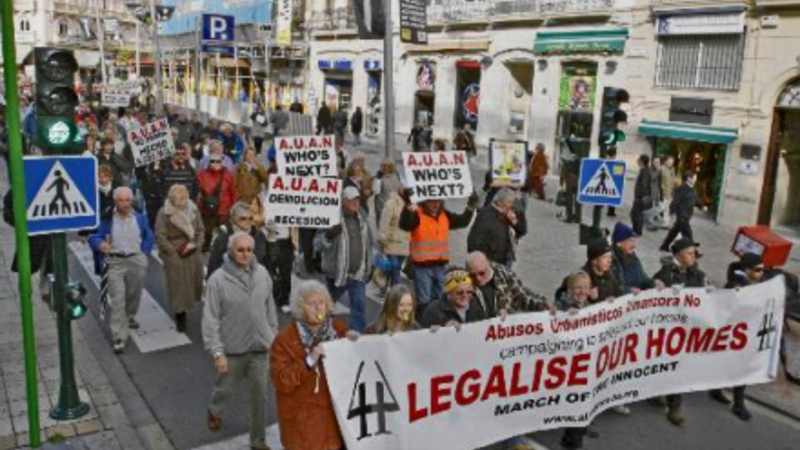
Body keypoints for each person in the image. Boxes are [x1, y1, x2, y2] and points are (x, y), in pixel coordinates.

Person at [202, 232, 278, 450]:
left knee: (259, 397)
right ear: (230, 252)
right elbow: (210, 319)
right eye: (240, 250)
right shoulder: (217, 280)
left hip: (260, 348)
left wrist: (273, 335)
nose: (245, 254)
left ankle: (258, 441)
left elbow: (269, 306)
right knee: (224, 389)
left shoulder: (262, 273)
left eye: (249, 250)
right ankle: (215, 409)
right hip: (233, 349)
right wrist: (217, 353)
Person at [270, 280, 350, 450]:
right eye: (311, 304)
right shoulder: (285, 339)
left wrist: (355, 342)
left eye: (321, 302)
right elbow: (281, 381)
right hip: (303, 427)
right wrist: (309, 361)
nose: (318, 308)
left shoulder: (338, 329)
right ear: (300, 308)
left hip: (334, 424)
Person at [88, 187, 154, 354]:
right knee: (118, 298)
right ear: (115, 201)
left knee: (134, 293)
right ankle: (119, 336)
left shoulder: (139, 217)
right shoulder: (107, 218)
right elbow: (93, 236)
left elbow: (148, 235)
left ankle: (130, 316)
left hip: (135, 259)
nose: (124, 204)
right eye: (121, 200)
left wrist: (144, 252)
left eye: (127, 200)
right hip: (114, 261)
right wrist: (100, 244)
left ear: (132, 201)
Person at [653, 237, 707, 426]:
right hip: (669, 330)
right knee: (670, 365)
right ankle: (672, 405)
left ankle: (665, 396)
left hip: (688, 329)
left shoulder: (698, 274)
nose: (694, 256)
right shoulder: (666, 275)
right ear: (678, 255)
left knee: (677, 366)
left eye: (694, 253)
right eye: (690, 253)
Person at [707, 252, 765, 421]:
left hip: (745, 333)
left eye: (763, 269)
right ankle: (738, 404)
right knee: (740, 368)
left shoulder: (755, 283)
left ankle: (718, 391)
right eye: (757, 270)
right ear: (746, 269)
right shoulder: (734, 285)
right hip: (735, 334)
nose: (761, 273)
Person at [400, 191, 479, 313]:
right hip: (422, 267)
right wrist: (407, 205)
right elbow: (404, 225)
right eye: (432, 201)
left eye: (438, 201)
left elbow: (462, 222)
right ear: (425, 201)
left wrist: (470, 206)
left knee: (442, 300)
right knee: (424, 301)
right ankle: (424, 322)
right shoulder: (417, 215)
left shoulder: (444, 215)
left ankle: (438, 321)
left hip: (440, 266)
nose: (435, 204)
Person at [315, 187, 374, 332]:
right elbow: (317, 244)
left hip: (357, 274)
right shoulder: (331, 218)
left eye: (357, 199)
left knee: (359, 308)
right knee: (325, 307)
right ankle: (317, 331)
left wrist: (371, 264)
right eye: (351, 199)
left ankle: (357, 338)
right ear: (343, 201)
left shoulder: (363, 219)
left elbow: (369, 244)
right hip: (336, 273)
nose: (355, 202)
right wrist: (328, 235)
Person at [155, 185, 205, 333]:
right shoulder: (164, 212)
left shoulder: (193, 209)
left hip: (192, 249)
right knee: (177, 286)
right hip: (175, 251)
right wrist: (172, 252)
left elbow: (200, 229)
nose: (181, 201)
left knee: (193, 282)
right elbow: (160, 236)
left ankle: (190, 305)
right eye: (177, 198)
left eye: (183, 197)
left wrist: (197, 245)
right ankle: (180, 314)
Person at [556, 271, 595, 450]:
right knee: (575, 405)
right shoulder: (559, 306)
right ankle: (572, 441)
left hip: (584, 365)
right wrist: (564, 317)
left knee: (582, 403)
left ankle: (575, 437)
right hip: (565, 366)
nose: (582, 292)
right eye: (577, 288)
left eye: (585, 287)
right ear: (569, 289)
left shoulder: (590, 307)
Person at [466, 251, 550, 317]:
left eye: (482, 273)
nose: (478, 278)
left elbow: (520, 296)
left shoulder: (503, 274)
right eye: (472, 275)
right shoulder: (464, 285)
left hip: (504, 328)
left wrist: (542, 304)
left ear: (488, 265)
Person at [467, 188, 527, 267]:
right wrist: (482, 259)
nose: (511, 205)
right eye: (509, 202)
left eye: (513, 202)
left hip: (506, 258)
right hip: (490, 260)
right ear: (499, 202)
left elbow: (523, 231)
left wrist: (515, 222)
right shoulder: (486, 214)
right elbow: (475, 239)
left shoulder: (513, 212)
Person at [207, 202, 268, 278]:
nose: (248, 221)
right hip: (229, 281)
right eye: (243, 219)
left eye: (250, 218)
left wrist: (272, 242)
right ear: (233, 219)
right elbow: (213, 266)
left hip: (255, 280)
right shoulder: (222, 239)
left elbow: (267, 262)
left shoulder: (259, 237)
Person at [420, 267, 488, 328]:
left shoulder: (477, 305)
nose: (465, 295)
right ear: (448, 293)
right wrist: (443, 330)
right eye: (460, 293)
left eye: (469, 292)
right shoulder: (433, 311)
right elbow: (423, 335)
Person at [197, 154, 237, 252]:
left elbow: (233, 192)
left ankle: (222, 252)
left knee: (224, 234)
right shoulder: (203, 174)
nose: (215, 163)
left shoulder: (228, 175)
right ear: (209, 162)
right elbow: (198, 191)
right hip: (207, 210)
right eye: (213, 161)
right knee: (207, 234)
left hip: (224, 210)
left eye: (218, 161)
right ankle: (206, 251)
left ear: (222, 162)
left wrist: (234, 208)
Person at [660, 170, 706, 252]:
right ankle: (693, 251)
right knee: (688, 234)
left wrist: (702, 206)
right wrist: (671, 211)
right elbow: (675, 201)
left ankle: (665, 246)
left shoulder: (693, 189)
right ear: (689, 178)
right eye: (694, 178)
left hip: (688, 215)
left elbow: (696, 200)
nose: (695, 180)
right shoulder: (681, 188)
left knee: (674, 231)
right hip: (682, 215)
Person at [610, 222, 657, 293]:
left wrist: (653, 283)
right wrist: (629, 291)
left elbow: (642, 278)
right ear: (619, 243)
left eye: (633, 241)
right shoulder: (612, 262)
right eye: (630, 241)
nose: (633, 245)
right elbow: (614, 288)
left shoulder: (633, 258)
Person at [379, 187, 410, 287]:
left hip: (405, 246)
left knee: (395, 270)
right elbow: (384, 222)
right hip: (392, 245)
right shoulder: (391, 203)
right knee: (395, 270)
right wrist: (382, 239)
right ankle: (395, 292)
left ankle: (388, 287)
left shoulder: (411, 205)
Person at [373, 159, 401, 224]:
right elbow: (376, 191)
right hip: (384, 208)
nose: (385, 168)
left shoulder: (396, 176)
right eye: (384, 166)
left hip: (393, 208)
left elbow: (400, 187)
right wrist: (378, 179)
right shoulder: (380, 177)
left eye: (387, 166)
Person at [631, 154, 652, 236]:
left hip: (641, 197)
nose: (637, 161)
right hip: (639, 197)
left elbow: (644, 185)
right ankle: (635, 230)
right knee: (635, 213)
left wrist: (640, 196)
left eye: (639, 160)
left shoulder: (645, 172)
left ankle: (637, 231)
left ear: (642, 161)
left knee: (636, 214)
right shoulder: (643, 170)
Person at [659, 155, 677, 229]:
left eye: (672, 162)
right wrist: (661, 188)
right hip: (663, 193)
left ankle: (666, 224)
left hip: (670, 193)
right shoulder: (661, 169)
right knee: (662, 208)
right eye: (669, 161)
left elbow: (673, 181)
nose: (671, 163)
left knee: (667, 209)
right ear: (665, 161)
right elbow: (658, 181)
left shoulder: (672, 170)